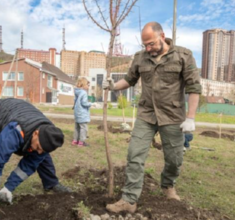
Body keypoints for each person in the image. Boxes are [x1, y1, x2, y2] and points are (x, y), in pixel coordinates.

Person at [103, 22, 201, 213]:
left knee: (174, 158)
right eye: (145, 45)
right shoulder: (140, 57)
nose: (148, 49)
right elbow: (130, 80)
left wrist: (191, 118)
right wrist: (113, 86)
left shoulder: (183, 55)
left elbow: (194, 87)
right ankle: (129, 199)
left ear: (162, 36)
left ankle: (168, 185)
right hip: (146, 114)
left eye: (152, 44)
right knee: (134, 154)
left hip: (173, 116)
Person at [0, 98, 69, 220]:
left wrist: (8, 188)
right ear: (36, 133)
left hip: (26, 115)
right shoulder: (14, 132)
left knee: (41, 156)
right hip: (1, 112)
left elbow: (29, 165)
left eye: (42, 149)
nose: (39, 150)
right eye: (38, 146)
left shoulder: (49, 135)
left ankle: (51, 183)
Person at [71, 77, 92, 147]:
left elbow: (75, 101)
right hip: (82, 113)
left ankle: (75, 140)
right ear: (83, 85)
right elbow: (84, 103)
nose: (89, 86)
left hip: (77, 113)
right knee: (84, 128)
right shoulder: (84, 93)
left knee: (77, 127)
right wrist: (90, 104)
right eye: (88, 85)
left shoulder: (77, 92)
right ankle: (81, 142)